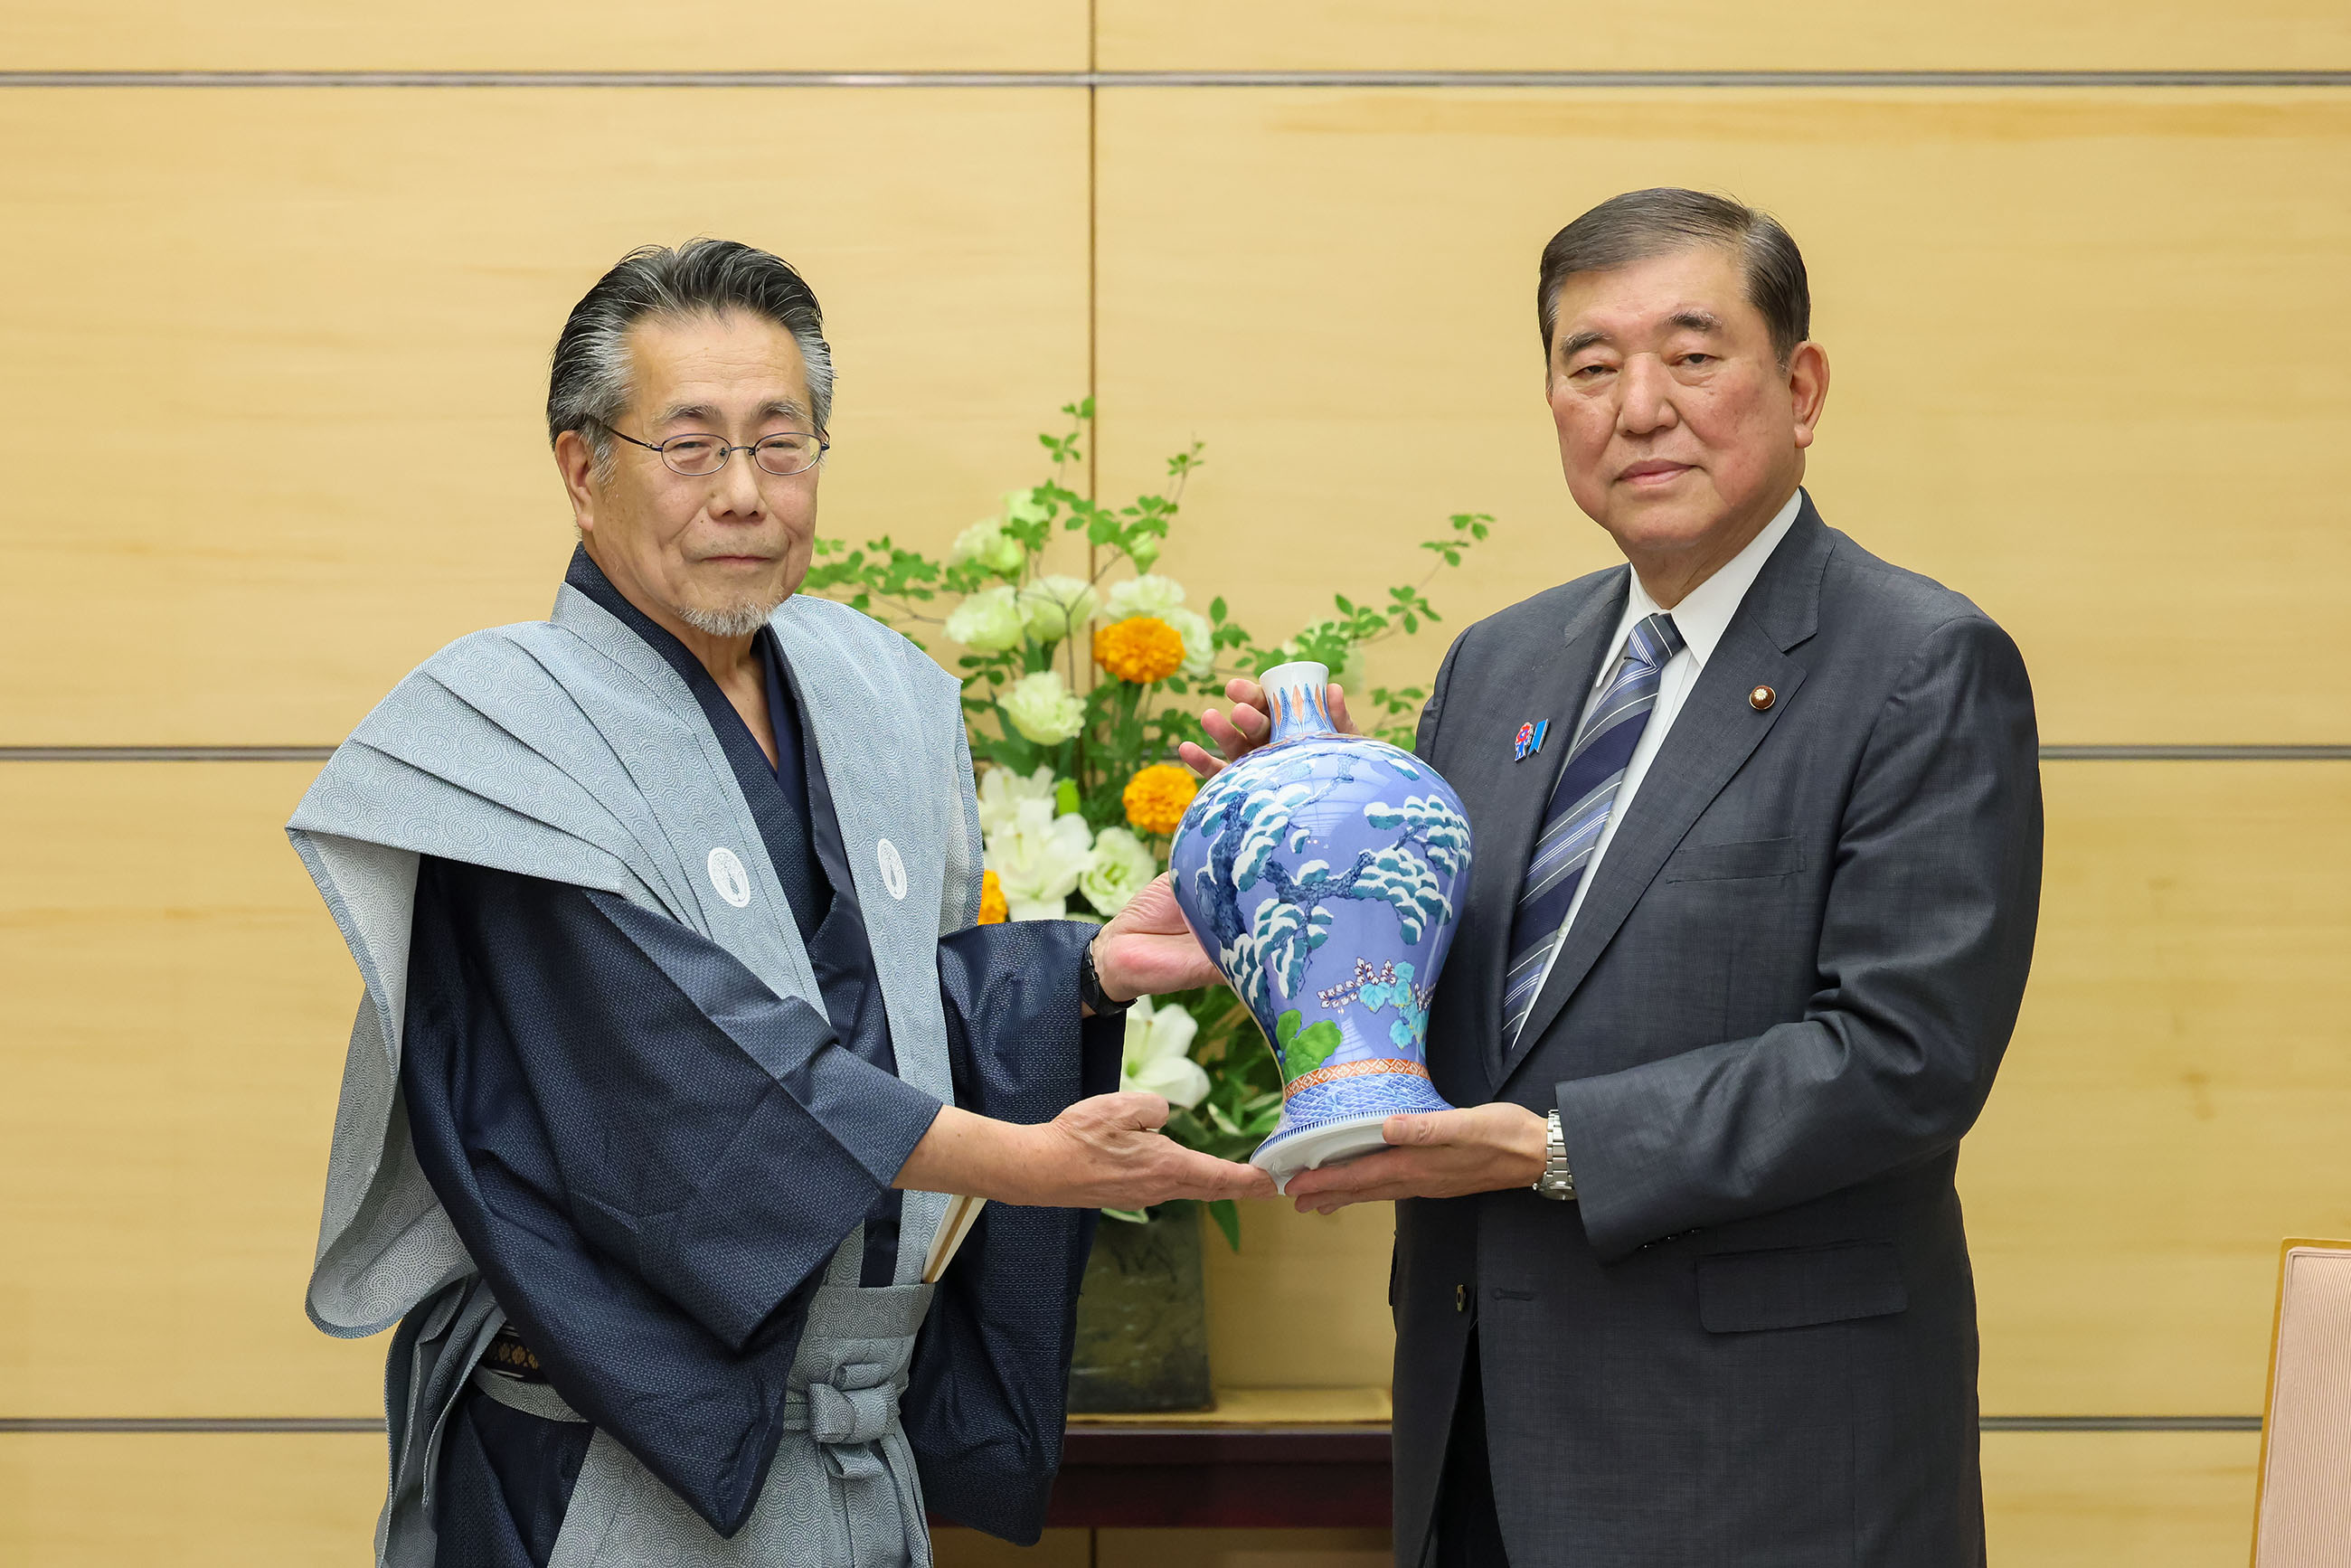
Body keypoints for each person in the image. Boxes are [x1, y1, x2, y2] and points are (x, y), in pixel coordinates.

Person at [288, 238, 1267, 1568]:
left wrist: (1088, 967)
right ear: (584, 470)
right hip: (611, 1457)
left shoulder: (878, 690)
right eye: (690, 445)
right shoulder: (501, 741)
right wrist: (1029, 1161)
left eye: (781, 444)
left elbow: (882, 1011)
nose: (744, 493)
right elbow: (691, 1065)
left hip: (856, 1451)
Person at [1185, 189, 2041, 1564]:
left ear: (1801, 385)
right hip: (1479, 1440)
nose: (1639, 405)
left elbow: (1904, 1053)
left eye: (1692, 355)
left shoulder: (1919, 664)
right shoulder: (1497, 664)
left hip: (1770, 1467)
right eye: (1592, 366)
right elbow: (1472, 1005)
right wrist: (1322, 856)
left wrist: (1554, 1147)